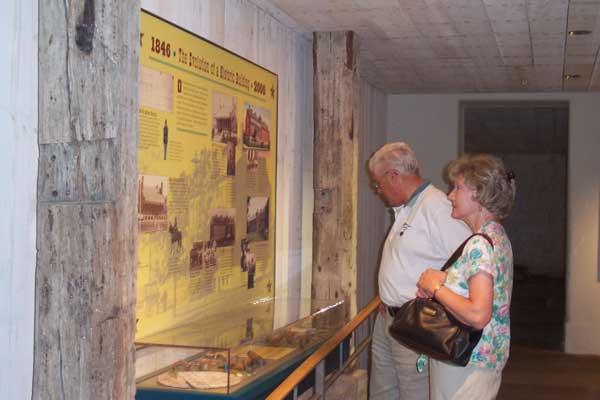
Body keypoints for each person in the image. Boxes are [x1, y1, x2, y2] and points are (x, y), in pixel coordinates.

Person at [368, 142, 471, 400]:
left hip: (416, 322)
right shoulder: (407, 207)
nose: (378, 191)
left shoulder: (436, 207)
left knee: (414, 394)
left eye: (378, 184)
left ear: (393, 176)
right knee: (382, 393)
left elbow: (469, 263)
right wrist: (388, 297)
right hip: (388, 318)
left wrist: (437, 299)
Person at [416, 154, 516, 400]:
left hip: (467, 363)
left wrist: (436, 287)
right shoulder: (497, 235)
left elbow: (478, 314)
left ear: (479, 195)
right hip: (481, 360)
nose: (450, 195)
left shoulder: (479, 244)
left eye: (458, 188)